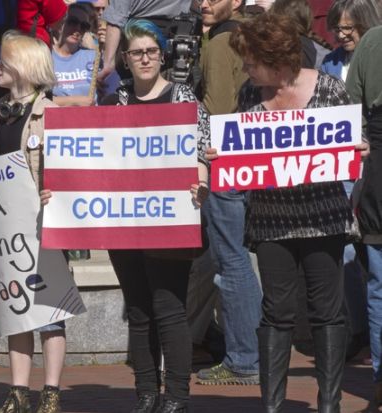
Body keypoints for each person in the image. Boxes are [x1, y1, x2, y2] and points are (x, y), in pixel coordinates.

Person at [224, 12, 366, 412]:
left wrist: (361, 147)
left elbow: (353, 139)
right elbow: (239, 150)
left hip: (324, 218)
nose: (247, 68)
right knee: (276, 312)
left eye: (252, 61)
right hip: (272, 221)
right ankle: (273, 404)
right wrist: (221, 156)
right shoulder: (250, 95)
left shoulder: (329, 89)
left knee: (326, 311)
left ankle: (330, 402)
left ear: (277, 57)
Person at [98, 19, 209, 413]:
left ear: (161, 54)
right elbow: (95, 162)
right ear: (125, 59)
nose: (143, 58)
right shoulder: (113, 104)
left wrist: (201, 181)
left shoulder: (184, 99)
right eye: (135, 52)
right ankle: (145, 392)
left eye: (150, 51)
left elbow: (201, 154)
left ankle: (176, 395)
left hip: (169, 220)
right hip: (124, 222)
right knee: (139, 309)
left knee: (169, 308)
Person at [0, 30, 66, 413]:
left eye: (3, 61)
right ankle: (18, 391)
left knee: (50, 312)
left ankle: (50, 392)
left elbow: (68, 170)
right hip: (7, 225)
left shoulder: (52, 112)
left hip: (42, 223)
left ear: (22, 67)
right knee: (16, 310)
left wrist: (56, 192)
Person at [195, 0, 262, 387]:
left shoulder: (223, 43)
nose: (204, 3)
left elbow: (217, 109)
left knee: (231, 261)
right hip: (250, 161)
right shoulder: (247, 34)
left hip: (228, 162)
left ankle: (243, 358)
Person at [346, 21, 382, 409]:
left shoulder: (372, 40)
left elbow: (350, 106)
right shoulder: (372, 40)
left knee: (379, 289)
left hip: (378, 173)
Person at [321, 0, 382, 81]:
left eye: (347, 28)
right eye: (337, 29)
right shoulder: (330, 62)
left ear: (366, 24)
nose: (341, 35)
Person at [52, 3, 96, 107]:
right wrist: (73, 101)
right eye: (72, 21)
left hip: (90, 119)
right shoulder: (45, 57)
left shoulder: (93, 57)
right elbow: (36, 100)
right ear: (61, 22)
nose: (78, 29)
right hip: (55, 120)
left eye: (84, 26)